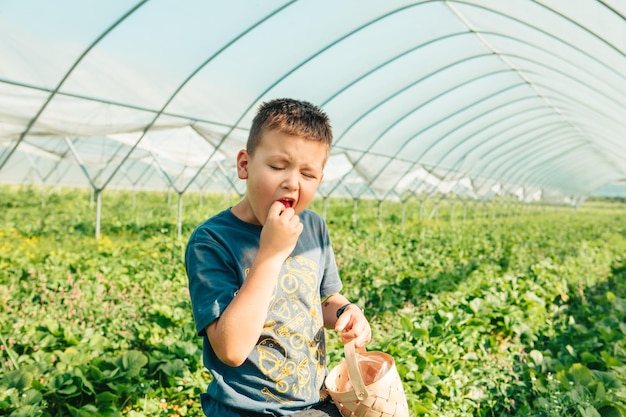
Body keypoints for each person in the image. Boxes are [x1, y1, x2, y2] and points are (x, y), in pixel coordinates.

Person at [185, 98, 372, 417]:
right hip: (247, 410)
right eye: (277, 166)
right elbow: (231, 350)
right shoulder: (212, 240)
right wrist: (270, 255)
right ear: (244, 165)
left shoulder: (313, 226)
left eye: (308, 174)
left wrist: (346, 312)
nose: (292, 182)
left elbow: (321, 300)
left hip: (313, 401)